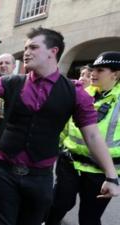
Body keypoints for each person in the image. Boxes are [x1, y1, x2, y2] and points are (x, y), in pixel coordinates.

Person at [0, 27, 120, 225]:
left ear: (53, 51)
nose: (27, 52)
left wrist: (111, 176)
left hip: (40, 177)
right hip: (3, 170)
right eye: (25, 47)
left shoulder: (76, 93)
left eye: (33, 47)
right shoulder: (12, 81)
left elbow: (92, 136)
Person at [45, 51, 120, 225]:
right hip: (70, 163)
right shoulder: (82, 94)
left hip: (101, 171)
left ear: (115, 74)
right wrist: (51, 148)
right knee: (59, 204)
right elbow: (67, 126)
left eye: (100, 70)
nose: (93, 73)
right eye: (93, 69)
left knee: (89, 217)